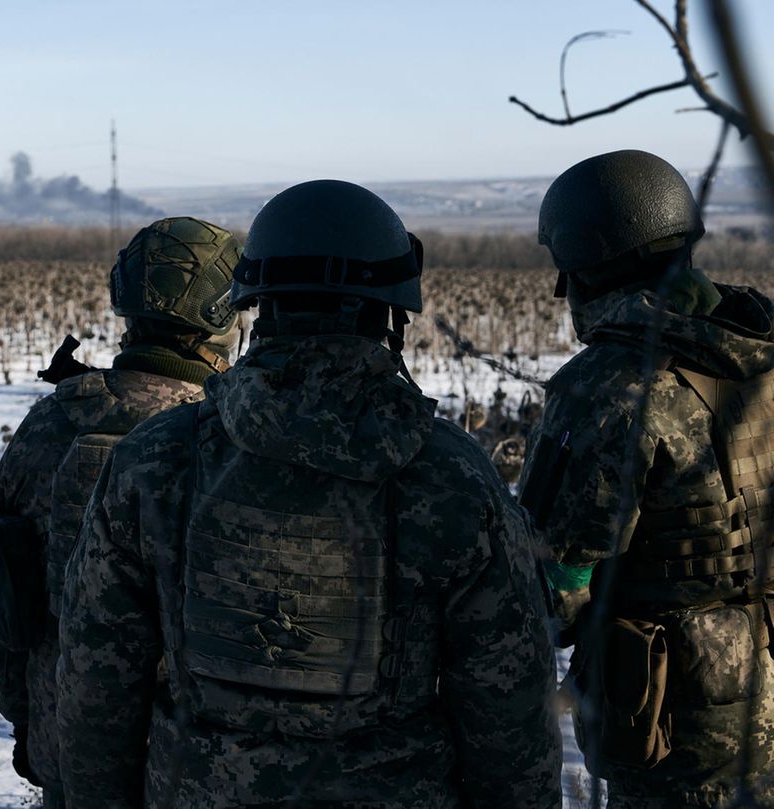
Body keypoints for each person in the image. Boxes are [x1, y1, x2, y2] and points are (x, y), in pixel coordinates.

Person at [58, 180, 562, 808]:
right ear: (391, 312)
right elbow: (507, 707)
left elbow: (96, 686)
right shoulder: (452, 475)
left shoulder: (154, 460)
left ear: (253, 301)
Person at [520, 149, 774, 808]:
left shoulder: (608, 388)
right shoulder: (762, 355)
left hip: (681, 727)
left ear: (585, 267)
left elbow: (552, 587)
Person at [0, 216, 243, 808]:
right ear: (223, 317)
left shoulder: (51, 422)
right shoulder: (232, 437)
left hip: (66, 749)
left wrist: (28, 722)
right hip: (200, 771)